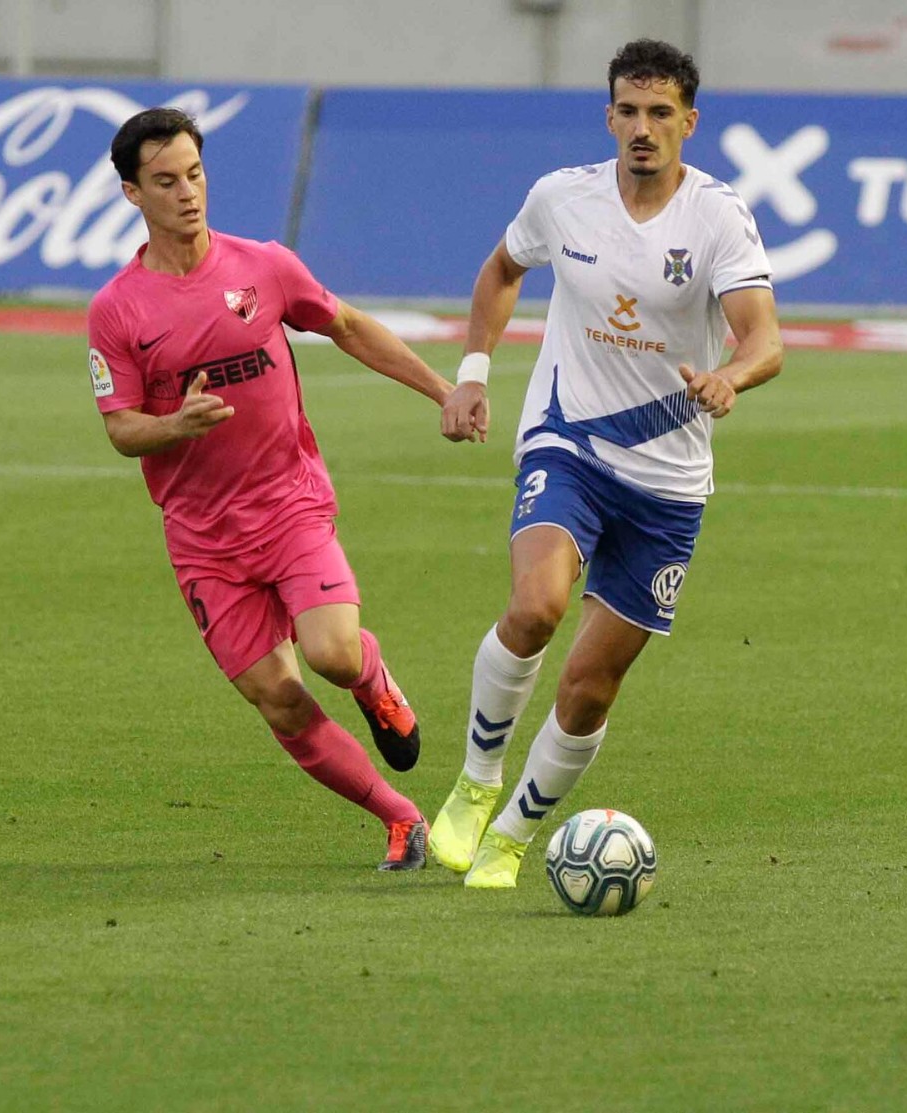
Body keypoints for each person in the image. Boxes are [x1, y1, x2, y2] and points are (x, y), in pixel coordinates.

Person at [430, 39, 785, 887]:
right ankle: (477, 782)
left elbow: (764, 338)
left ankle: (513, 836)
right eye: (628, 110)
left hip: (667, 483)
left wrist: (732, 376)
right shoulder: (563, 197)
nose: (642, 128)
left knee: (590, 685)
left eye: (660, 113)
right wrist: (474, 373)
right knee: (537, 606)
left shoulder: (717, 216)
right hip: (569, 441)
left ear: (689, 122)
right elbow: (502, 269)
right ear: (609, 116)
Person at [87, 107, 462, 871]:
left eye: (195, 174)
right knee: (280, 699)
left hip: (289, 504)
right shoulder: (118, 310)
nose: (187, 193)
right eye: (166, 181)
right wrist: (176, 425)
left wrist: (441, 390)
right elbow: (122, 429)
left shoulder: (263, 266)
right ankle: (399, 817)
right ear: (133, 193)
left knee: (331, 654)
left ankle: (372, 679)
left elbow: (348, 325)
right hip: (202, 538)